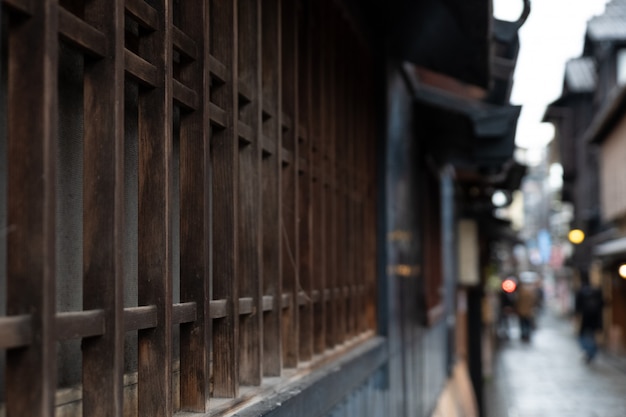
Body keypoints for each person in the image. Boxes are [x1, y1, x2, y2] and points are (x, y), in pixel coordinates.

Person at [575, 270, 604, 363]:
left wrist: (577, 317)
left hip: (585, 318)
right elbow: (602, 304)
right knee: (591, 336)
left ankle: (589, 352)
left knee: (582, 336)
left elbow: (577, 307)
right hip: (595, 318)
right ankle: (592, 353)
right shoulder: (597, 291)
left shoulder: (581, 292)